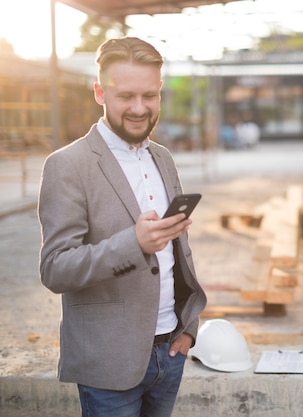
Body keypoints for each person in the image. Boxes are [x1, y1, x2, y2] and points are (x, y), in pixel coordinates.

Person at [38, 37, 207, 417]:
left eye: (149, 95)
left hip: (171, 350)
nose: (139, 108)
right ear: (100, 92)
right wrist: (133, 243)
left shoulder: (162, 157)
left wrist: (189, 326)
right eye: (125, 96)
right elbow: (55, 269)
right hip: (108, 363)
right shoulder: (68, 165)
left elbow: (179, 257)